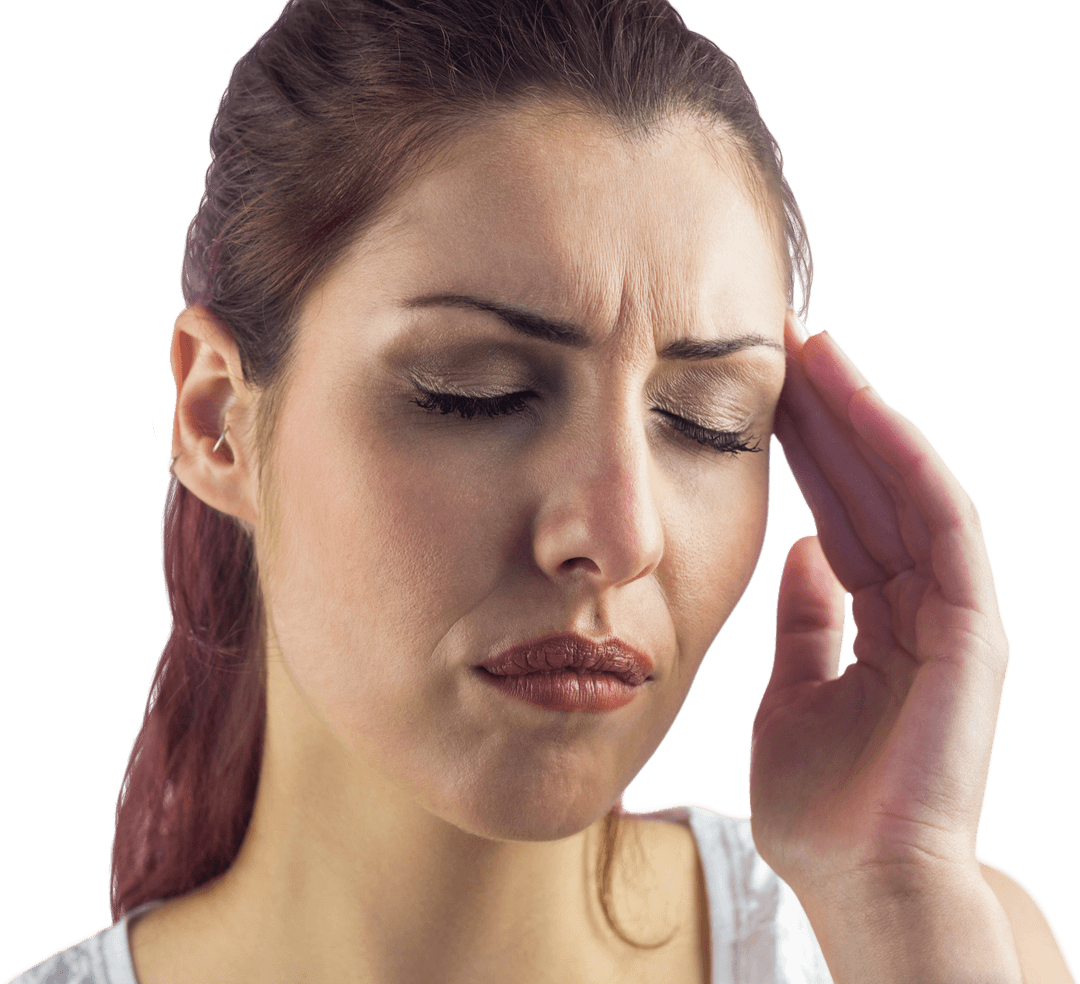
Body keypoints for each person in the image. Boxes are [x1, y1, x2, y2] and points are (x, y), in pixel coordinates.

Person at [5, 1, 1075, 982]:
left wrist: (895, 909)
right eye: (475, 392)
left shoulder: (940, 937)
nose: (621, 532)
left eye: (710, 422)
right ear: (217, 423)